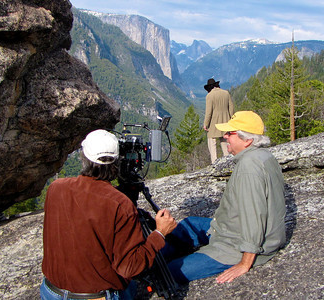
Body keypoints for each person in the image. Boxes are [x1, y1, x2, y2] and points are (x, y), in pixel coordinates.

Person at [40, 129, 177, 300]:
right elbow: (130, 267)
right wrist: (159, 234)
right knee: (133, 284)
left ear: (83, 157)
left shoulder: (56, 188)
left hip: (50, 291)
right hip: (94, 296)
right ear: (116, 161)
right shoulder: (120, 204)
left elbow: (89, 204)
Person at [163, 111, 286, 284]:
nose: (225, 136)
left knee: (169, 272)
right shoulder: (265, 156)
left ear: (247, 140)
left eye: (230, 133)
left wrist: (245, 262)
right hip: (235, 230)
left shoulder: (248, 168)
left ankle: (149, 259)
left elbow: (254, 216)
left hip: (237, 244)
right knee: (188, 225)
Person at [203, 78, 234, 164]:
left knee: (211, 140)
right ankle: (228, 159)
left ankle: (214, 161)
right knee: (224, 139)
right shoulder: (226, 93)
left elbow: (208, 112)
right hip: (226, 120)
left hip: (214, 122)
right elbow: (231, 108)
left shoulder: (209, 96)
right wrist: (232, 120)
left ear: (209, 88)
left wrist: (205, 124)